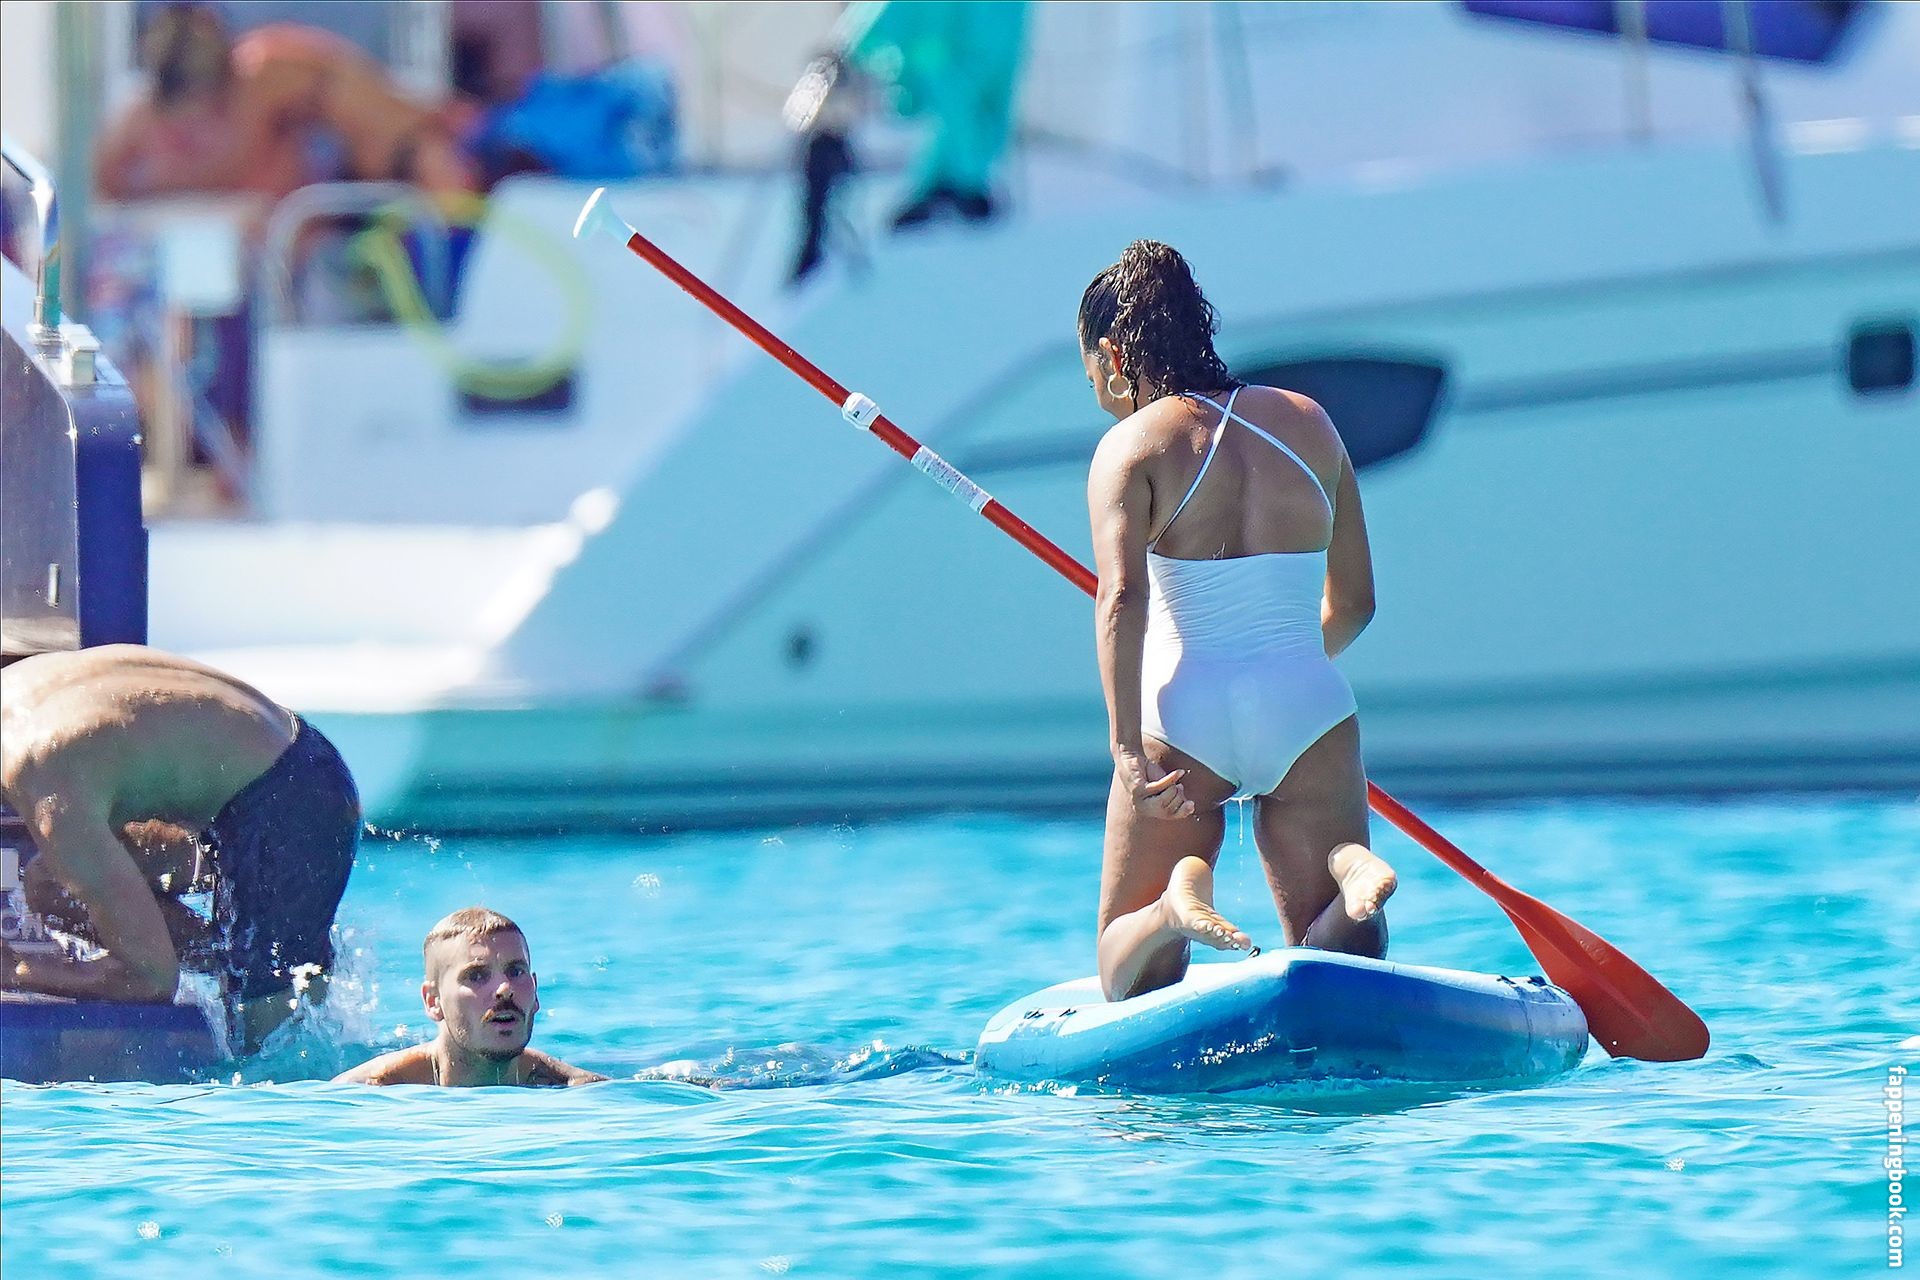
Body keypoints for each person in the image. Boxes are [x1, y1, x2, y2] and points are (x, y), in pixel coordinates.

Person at [1080, 240, 1399, 1002]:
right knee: (1340, 966)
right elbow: (1356, 602)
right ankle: (1349, 874)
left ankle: (1171, 910)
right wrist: (1280, 667)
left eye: (1091, 375)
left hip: (1184, 718)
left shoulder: (1130, 448)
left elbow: (1122, 598)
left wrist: (1125, 749)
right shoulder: (1311, 423)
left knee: (1126, 973)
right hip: (1308, 706)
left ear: (1116, 356)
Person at [0, 645, 358, 1049]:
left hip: (291, 808)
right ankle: (234, 960)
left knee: (269, 1054)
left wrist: (16, 969)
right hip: (292, 752)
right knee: (52, 885)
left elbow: (153, 983)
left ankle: (261, 973)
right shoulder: (16, 687)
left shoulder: (46, 785)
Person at [94, 1, 476, 204]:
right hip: (214, 255)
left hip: (305, 239)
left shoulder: (269, 73)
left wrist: (407, 154)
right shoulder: (133, 130)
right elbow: (107, 195)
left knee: (432, 160)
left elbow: (381, 115)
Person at [334, 907, 605, 1088]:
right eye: (476, 976)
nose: (505, 988)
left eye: (516, 971)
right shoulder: (371, 1090)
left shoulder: (579, 1090)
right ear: (433, 1001)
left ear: (535, 991)